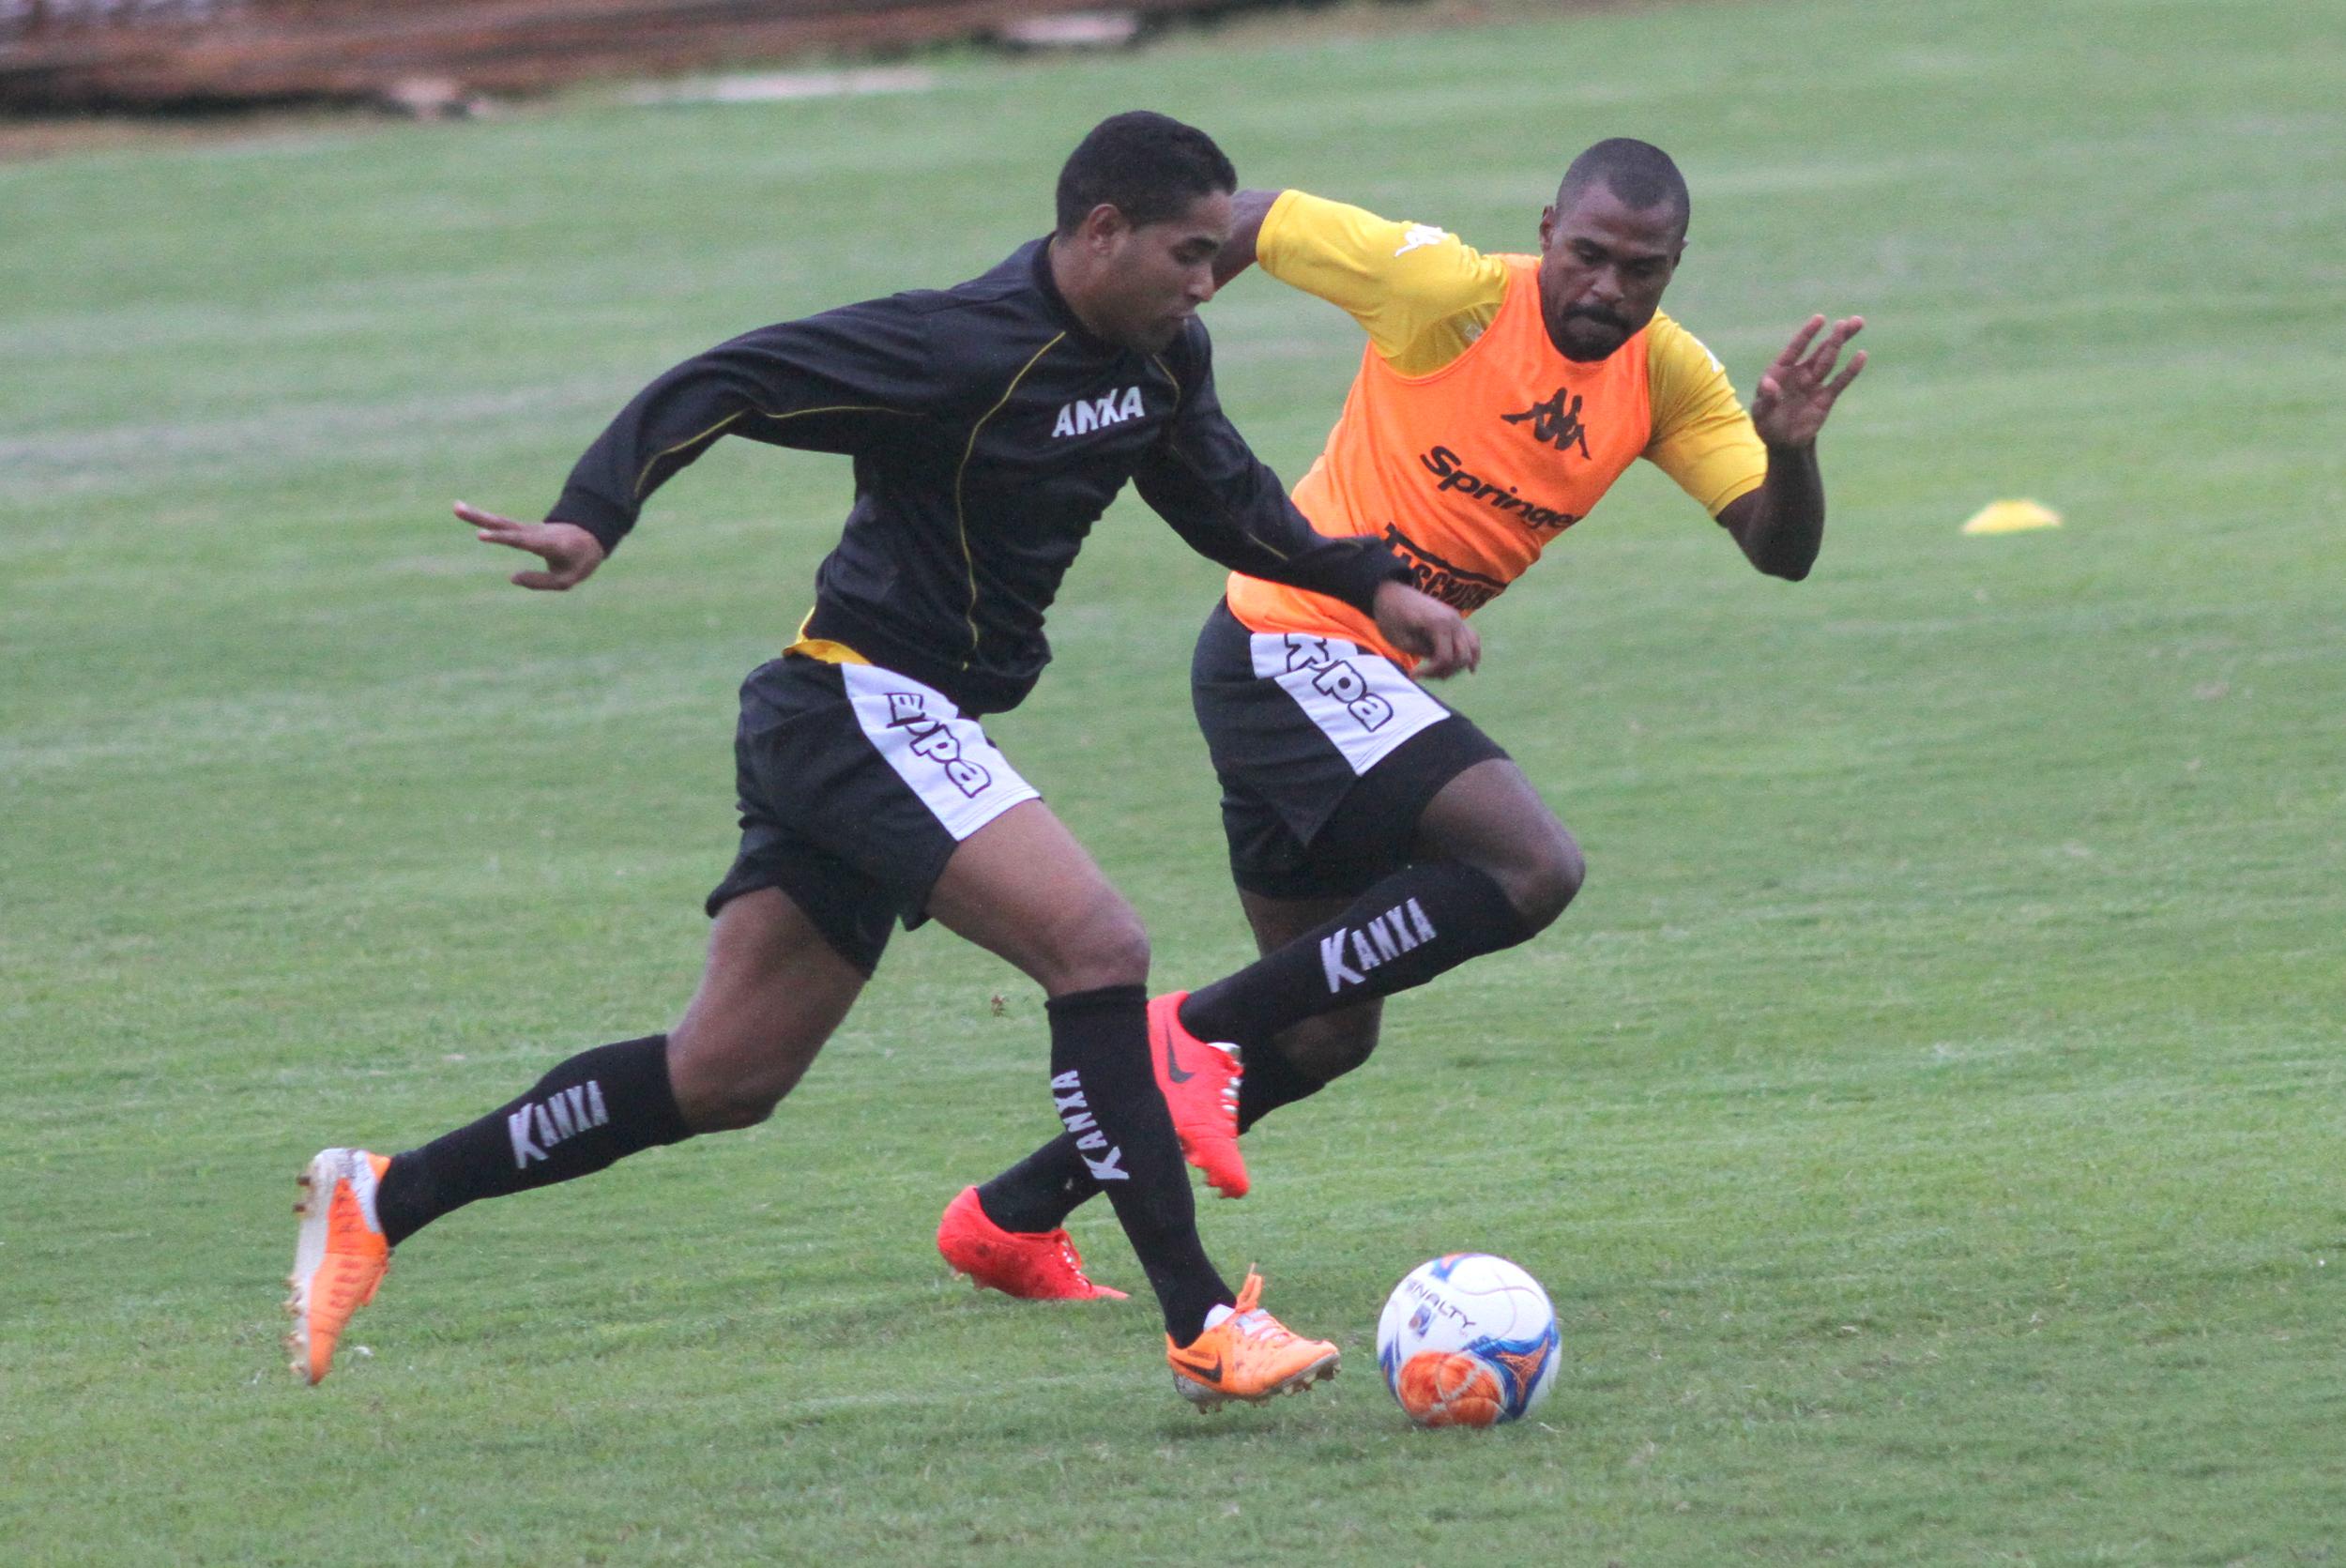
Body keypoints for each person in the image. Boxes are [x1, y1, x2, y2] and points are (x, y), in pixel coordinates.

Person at [283, 111, 1482, 1409]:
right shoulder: (952, 344)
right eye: (1189, 253)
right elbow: (727, 379)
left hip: (884, 725)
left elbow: (1232, 502)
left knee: (724, 1074)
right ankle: (1203, 1322)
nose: (1208, 279)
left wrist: (1372, 582)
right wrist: (593, 515)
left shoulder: (1161, 356)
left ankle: (387, 1191)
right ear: (1099, 232)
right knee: (1098, 949)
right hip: (856, 703)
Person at [939, 137, 1866, 1293]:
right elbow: (1263, 216)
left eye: (1642, 269)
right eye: (1586, 256)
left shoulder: (1666, 375)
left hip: (1332, 680)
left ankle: (1012, 1216)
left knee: (1325, 1031)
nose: (1606, 290)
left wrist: (1791, 459)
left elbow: (1778, 550)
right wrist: (1136, 349)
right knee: (1532, 867)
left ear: (1675, 266)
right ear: (1544, 233)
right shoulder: (1450, 295)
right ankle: (1191, 1031)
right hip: (1290, 644)